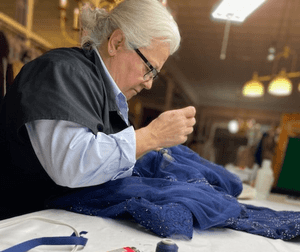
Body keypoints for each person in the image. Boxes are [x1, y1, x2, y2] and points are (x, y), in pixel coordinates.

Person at [0, 0, 196, 220]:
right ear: (117, 42)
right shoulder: (61, 72)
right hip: (13, 234)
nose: (149, 83)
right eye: (149, 68)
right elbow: (71, 165)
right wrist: (152, 136)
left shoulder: (104, 92)